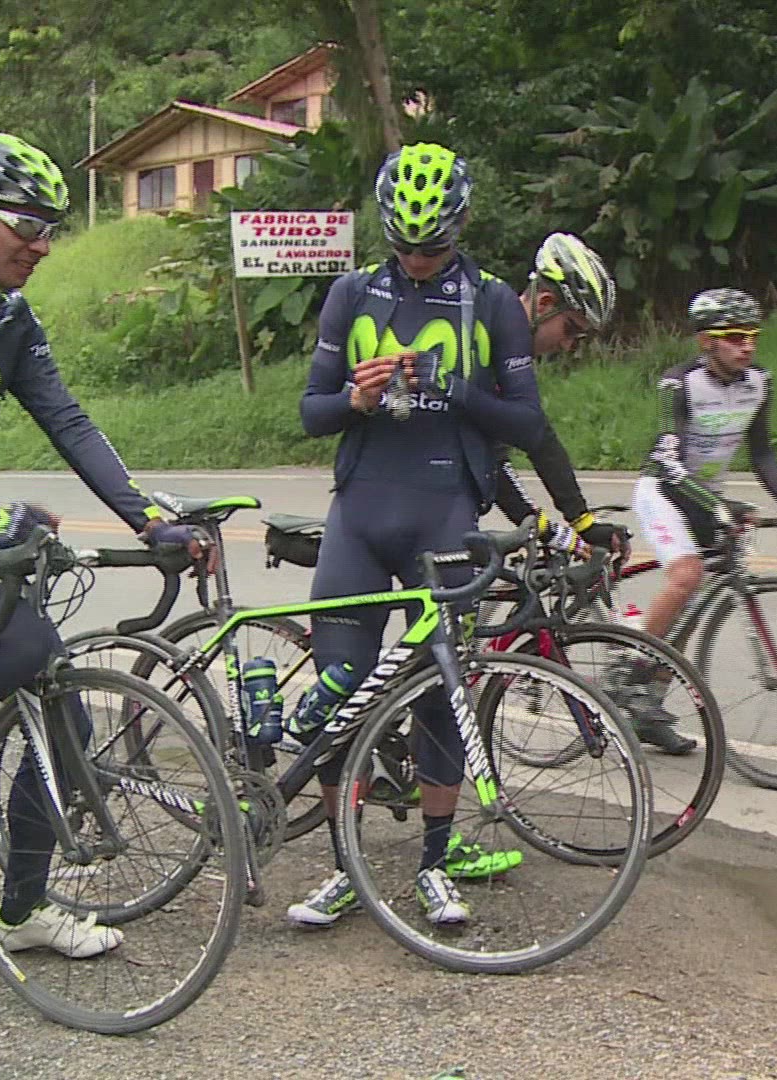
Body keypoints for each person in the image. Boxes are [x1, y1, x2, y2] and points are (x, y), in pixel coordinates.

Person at [0, 128, 205, 957]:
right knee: (19, 643)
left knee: (65, 714)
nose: (43, 246)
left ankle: (21, 911)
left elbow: (68, 421)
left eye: (52, 230)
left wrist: (149, 519)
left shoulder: (8, 315)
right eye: (28, 227)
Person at [290, 142, 549, 928]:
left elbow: (527, 423)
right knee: (339, 692)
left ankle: (435, 863)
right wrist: (356, 400)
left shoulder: (493, 301)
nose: (417, 261)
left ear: (458, 229)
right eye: (405, 246)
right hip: (361, 514)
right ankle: (346, 865)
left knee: (441, 691)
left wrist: (450, 386)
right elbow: (311, 412)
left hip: (445, 515)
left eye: (431, 248)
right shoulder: (352, 293)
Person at [625, 289, 777, 754]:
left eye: (752, 336)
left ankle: (649, 702)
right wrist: (720, 506)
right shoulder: (677, 385)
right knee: (687, 575)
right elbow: (668, 463)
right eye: (734, 337)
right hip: (664, 490)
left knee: (700, 601)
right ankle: (630, 671)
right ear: (706, 341)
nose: (747, 346)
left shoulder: (759, 383)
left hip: (707, 497)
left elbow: (762, 454)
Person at [491, 232, 622, 551]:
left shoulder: (512, 351)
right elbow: (488, 461)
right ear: (545, 304)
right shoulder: (486, 342)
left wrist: (582, 522)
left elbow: (538, 437)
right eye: (570, 329)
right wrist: (546, 530)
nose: (567, 345)